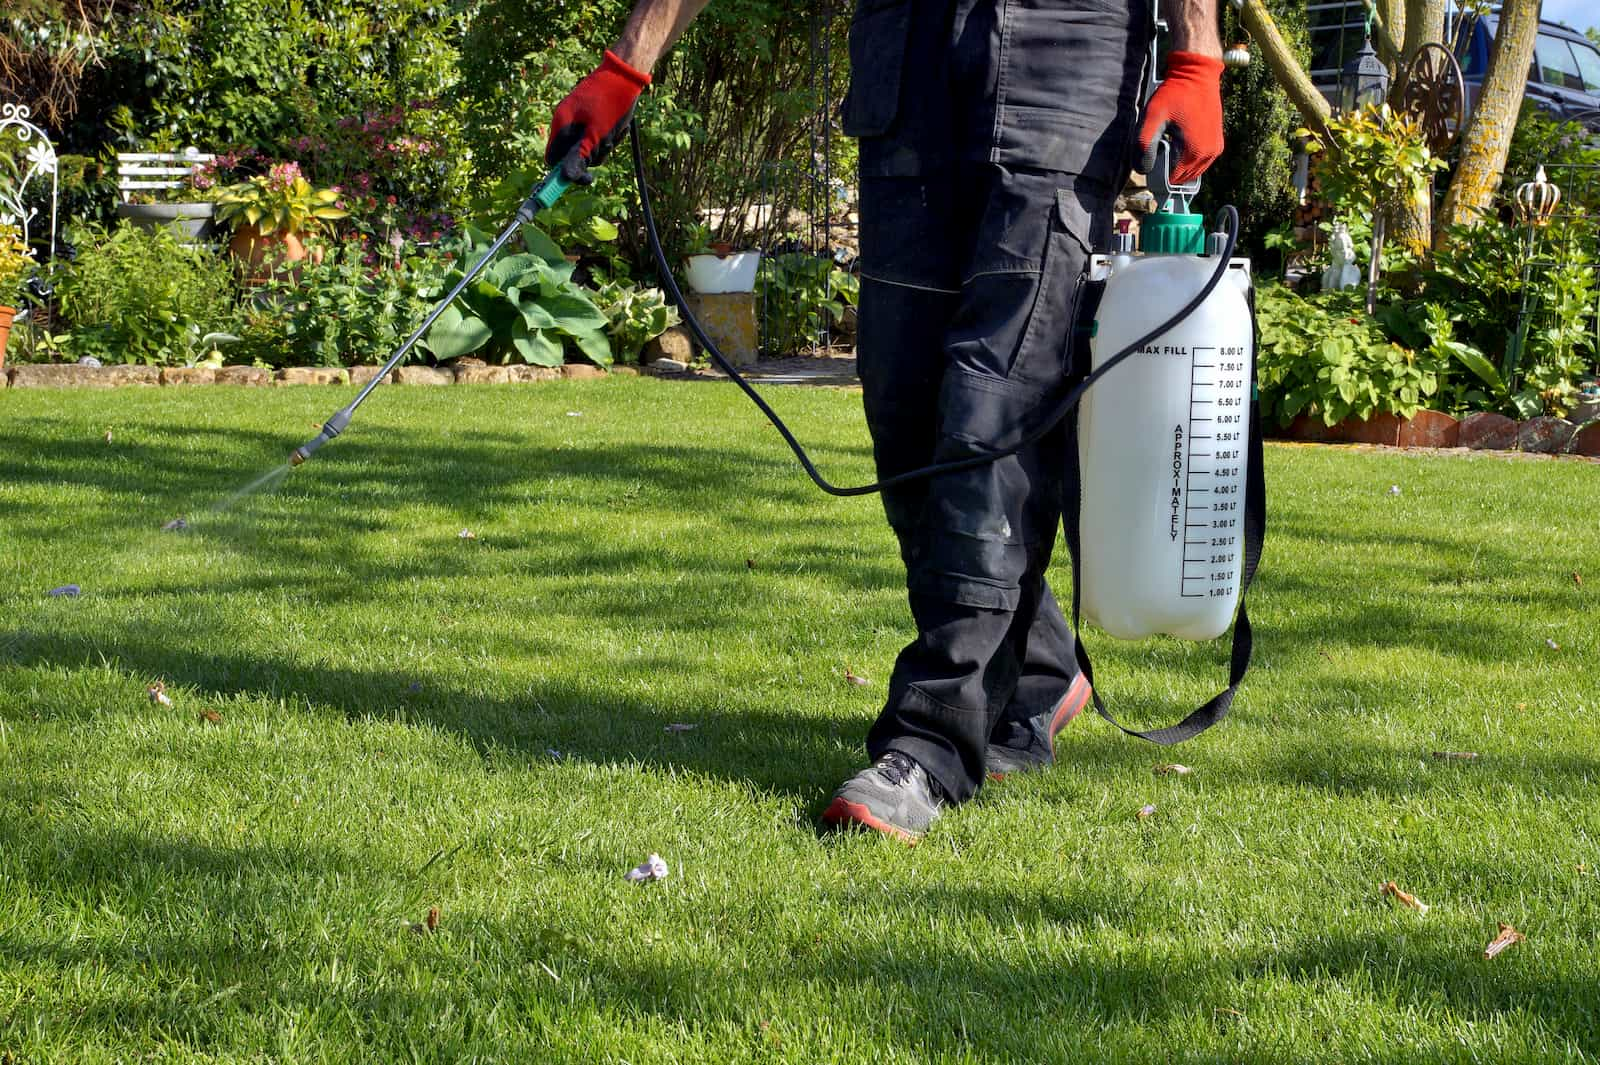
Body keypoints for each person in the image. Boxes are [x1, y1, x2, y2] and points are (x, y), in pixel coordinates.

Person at [546, 0, 1224, 842]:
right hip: (908, 62)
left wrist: (1199, 55)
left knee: (991, 408)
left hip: (1064, 59)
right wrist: (625, 66)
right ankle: (1042, 668)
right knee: (902, 412)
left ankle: (930, 741)